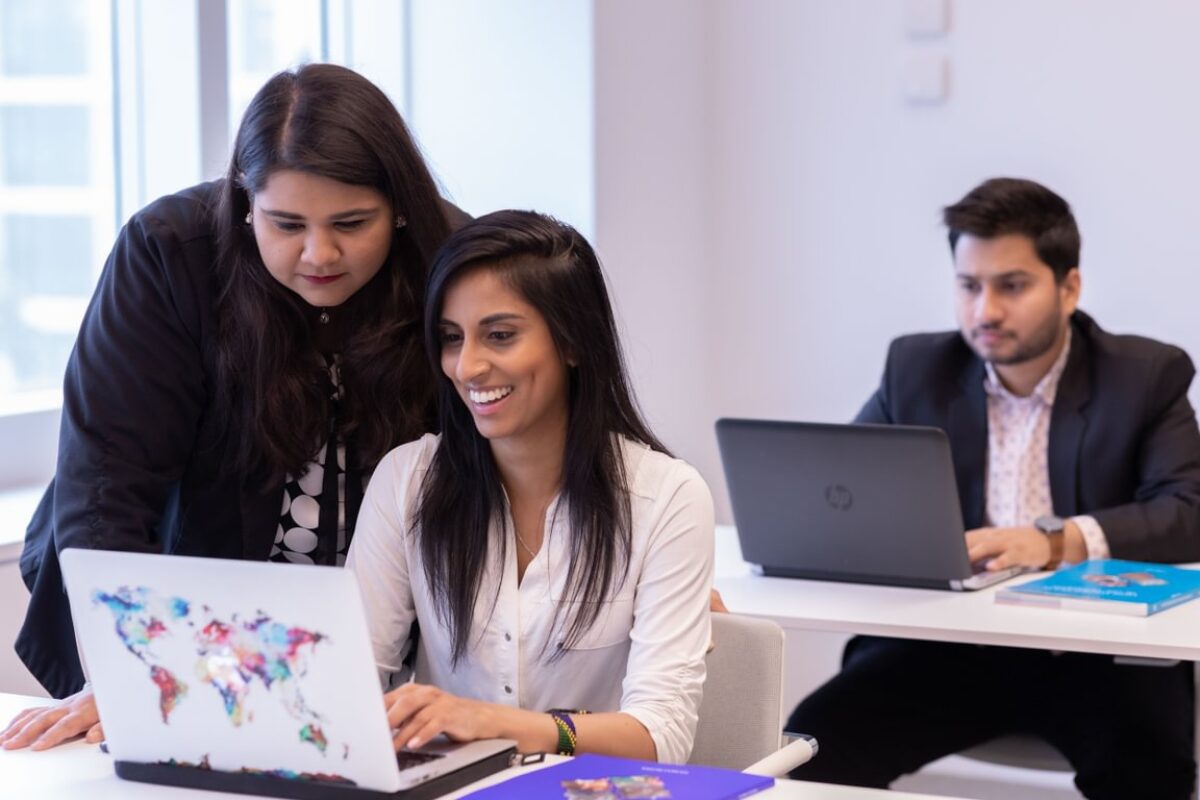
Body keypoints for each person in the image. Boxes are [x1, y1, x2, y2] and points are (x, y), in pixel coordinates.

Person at [1, 63, 465, 751]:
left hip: (385, 637)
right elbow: (106, 487)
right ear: (246, 201)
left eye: (351, 223)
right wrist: (127, 671)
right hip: (177, 606)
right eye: (286, 223)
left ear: (398, 207)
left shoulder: (451, 262)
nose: (319, 253)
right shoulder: (168, 254)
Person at [787, 178, 1200, 799]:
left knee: (1150, 771)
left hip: (1098, 660)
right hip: (952, 650)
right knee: (807, 746)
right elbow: (849, 493)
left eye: (1012, 286)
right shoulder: (917, 369)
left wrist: (1054, 542)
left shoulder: (1144, 376)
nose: (986, 311)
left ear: (1070, 288)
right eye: (969, 286)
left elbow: (1187, 512)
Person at [345, 210, 714, 764]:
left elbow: (659, 737)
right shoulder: (406, 481)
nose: (467, 366)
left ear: (572, 342)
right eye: (451, 338)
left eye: (500, 335)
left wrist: (497, 724)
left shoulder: (667, 498)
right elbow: (350, 688)